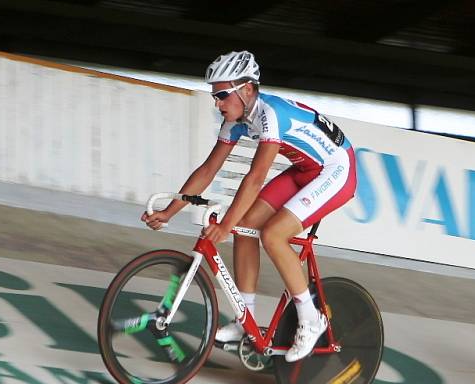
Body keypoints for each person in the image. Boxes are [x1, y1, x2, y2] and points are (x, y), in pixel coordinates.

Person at [141, 50, 357, 362]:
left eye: (223, 95)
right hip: (303, 170)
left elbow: (255, 178)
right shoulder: (238, 118)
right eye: (215, 96)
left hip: (335, 169)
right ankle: (246, 321)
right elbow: (207, 170)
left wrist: (225, 225)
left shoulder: (270, 114)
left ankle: (311, 319)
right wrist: (170, 211)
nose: (217, 103)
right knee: (246, 228)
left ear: (246, 89)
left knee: (272, 235)